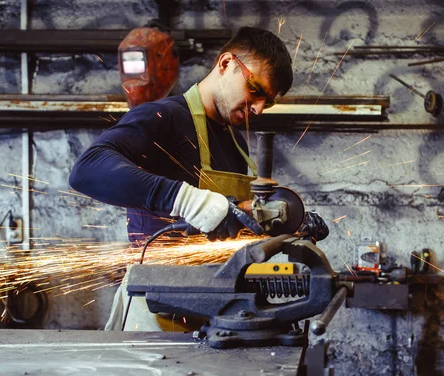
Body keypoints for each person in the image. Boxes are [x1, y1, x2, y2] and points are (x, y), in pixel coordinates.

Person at [69, 26, 295, 331]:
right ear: (226, 63)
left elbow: (230, 224)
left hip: (215, 307)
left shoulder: (236, 144)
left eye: (267, 101)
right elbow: (87, 168)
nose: (258, 108)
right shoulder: (163, 118)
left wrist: (283, 221)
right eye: (255, 90)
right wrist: (188, 200)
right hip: (158, 311)